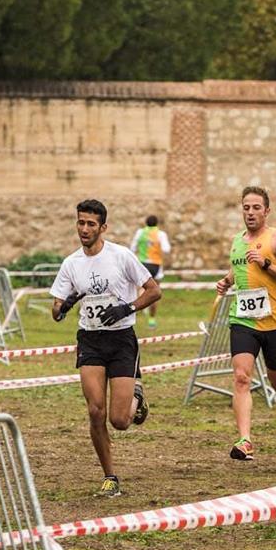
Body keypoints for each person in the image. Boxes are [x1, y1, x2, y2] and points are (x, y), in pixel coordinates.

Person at [51, 199, 161, 497]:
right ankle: (110, 475)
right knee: (95, 411)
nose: (84, 229)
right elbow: (56, 311)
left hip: (122, 338)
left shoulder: (121, 256)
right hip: (90, 340)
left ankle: (137, 395)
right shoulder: (71, 263)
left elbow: (154, 291)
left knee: (120, 420)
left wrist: (126, 308)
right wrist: (66, 304)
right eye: (80, 222)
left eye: (90, 224)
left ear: (103, 227)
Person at [215, 186, 276, 462]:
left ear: (267, 211)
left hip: (274, 321)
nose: (251, 212)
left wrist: (267, 264)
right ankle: (245, 440)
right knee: (242, 377)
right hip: (243, 320)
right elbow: (241, 266)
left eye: (256, 207)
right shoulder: (237, 241)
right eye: (246, 207)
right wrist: (227, 280)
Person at [129, 215, 171, 329]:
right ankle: (152, 320)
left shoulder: (140, 233)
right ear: (157, 223)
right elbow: (166, 249)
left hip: (142, 264)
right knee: (155, 291)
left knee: (139, 288)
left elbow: (132, 248)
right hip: (156, 264)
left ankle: (137, 309)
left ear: (146, 223)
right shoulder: (161, 234)